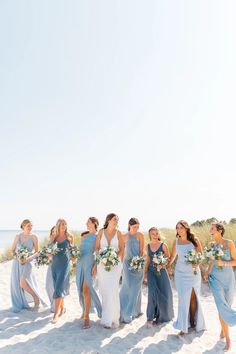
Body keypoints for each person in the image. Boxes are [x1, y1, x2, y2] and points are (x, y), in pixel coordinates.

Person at [169, 220, 206, 335]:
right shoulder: (176, 242)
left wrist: (197, 264)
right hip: (180, 273)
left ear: (186, 228)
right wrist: (167, 265)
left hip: (193, 272)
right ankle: (183, 326)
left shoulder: (194, 240)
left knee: (193, 298)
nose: (179, 229)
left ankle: (192, 321)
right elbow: (173, 256)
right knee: (183, 298)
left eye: (181, 227)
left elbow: (201, 256)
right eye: (177, 228)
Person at [205, 222, 236, 352]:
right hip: (215, 279)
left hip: (228, 279)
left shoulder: (229, 243)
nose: (210, 231)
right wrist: (207, 271)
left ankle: (223, 330)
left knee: (225, 307)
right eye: (210, 229)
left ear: (220, 230)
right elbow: (212, 260)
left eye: (212, 229)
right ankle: (228, 339)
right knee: (221, 305)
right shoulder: (211, 245)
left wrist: (222, 262)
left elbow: (235, 261)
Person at [94, 213, 124, 328]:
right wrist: (100, 259)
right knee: (104, 290)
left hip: (115, 265)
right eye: (114, 219)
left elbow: (122, 249)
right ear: (108, 220)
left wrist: (116, 259)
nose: (116, 221)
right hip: (102, 265)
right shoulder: (101, 232)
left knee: (113, 290)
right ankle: (107, 317)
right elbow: (96, 248)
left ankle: (112, 319)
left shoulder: (119, 233)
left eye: (117, 220)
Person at [11, 219, 47, 312]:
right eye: (28, 226)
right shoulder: (18, 236)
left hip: (28, 262)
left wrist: (28, 258)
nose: (30, 227)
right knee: (19, 284)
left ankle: (36, 298)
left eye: (31, 225)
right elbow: (12, 250)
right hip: (17, 263)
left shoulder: (34, 237)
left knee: (23, 283)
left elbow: (37, 252)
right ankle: (26, 301)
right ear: (23, 226)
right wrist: (18, 257)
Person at [144, 227, 174, 327]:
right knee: (151, 293)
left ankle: (163, 315)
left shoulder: (163, 245)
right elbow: (148, 260)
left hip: (161, 272)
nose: (155, 235)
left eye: (156, 233)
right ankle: (150, 318)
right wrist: (145, 273)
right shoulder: (147, 246)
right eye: (153, 234)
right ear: (150, 235)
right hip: (151, 272)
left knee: (164, 293)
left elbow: (168, 258)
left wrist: (162, 264)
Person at [76, 217, 102, 329]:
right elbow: (80, 250)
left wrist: (96, 266)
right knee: (80, 289)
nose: (86, 223)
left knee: (87, 289)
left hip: (90, 263)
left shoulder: (98, 236)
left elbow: (98, 251)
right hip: (80, 263)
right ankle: (85, 310)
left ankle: (87, 317)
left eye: (88, 222)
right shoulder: (84, 236)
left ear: (94, 223)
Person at [120, 217, 144, 323]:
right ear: (129, 225)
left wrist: (138, 262)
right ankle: (122, 310)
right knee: (127, 286)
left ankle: (132, 312)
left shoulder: (140, 235)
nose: (136, 229)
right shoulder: (124, 236)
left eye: (138, 227)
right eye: (134, 227)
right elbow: (121, 251)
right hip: (127, 265)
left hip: (138, 265)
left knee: (136, 288)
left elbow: (141, 251)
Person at [51, 218, 73, 323]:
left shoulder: (69, 237)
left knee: (58, 287)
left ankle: (55, 315)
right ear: (58, 226)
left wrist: (75, 258)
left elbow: (72, 253)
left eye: (65, 224)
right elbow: (49, 252)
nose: (64, 226)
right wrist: (50, 249)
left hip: (65, 265)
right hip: (55, 265)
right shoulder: (53, 237)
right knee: (57, 287)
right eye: (62, 224)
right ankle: (63, 308)